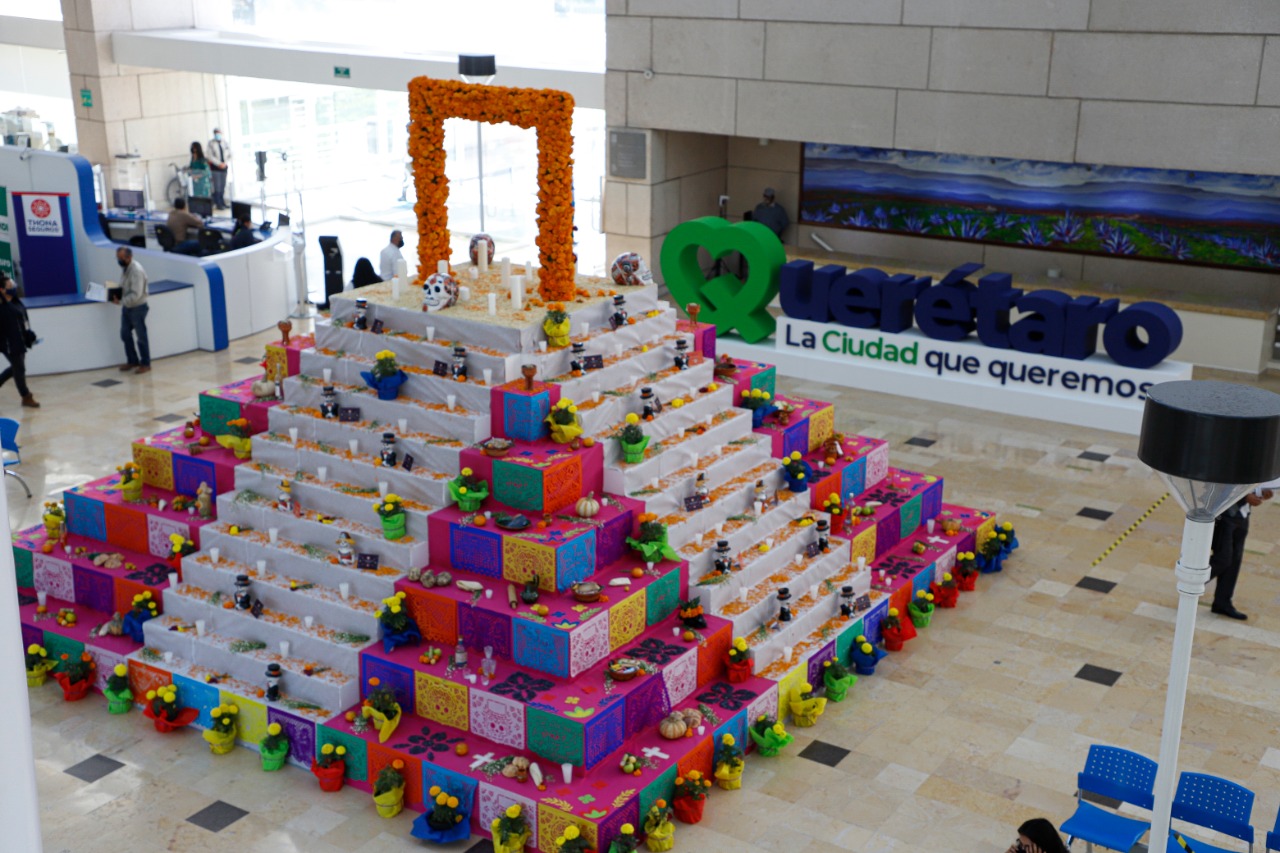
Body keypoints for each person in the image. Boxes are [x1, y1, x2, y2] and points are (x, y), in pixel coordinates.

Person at [1209, 488, 1273, 620]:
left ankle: (1222, 603)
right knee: (1223, 559)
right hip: (1224, 513)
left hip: (1242, 515)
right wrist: (1245, 496)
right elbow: (1223, 481)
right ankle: (1192, 583)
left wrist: (1263, 492)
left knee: (1234, 561)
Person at [0, 274, 37, 407]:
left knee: (16, 368)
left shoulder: (16, 302)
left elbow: (24, 320)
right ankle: (26, 396)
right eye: (10, 286)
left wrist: (28, 333)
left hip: (20, 342)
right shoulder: (1, 307)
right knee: (19, 369)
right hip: (9, 344)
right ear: (2, 290)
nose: (14, 287)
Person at [113, 247, 150, 374]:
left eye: (121, 258)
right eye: (117, 258)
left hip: (138, 308)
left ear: (129, 257)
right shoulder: (126, 269)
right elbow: (124, 287)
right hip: (127, 308)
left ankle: (145, 363)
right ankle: (132, 360)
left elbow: (136, 294)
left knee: (141, 337)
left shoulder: (136, 271)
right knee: (125, 334)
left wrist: (121, 301)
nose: (119, 261)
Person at [206, 128, 230, 209]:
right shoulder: (211, 143)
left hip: (224, 167)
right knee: (217, 186)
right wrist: (219, 164)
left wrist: (225, 163)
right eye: (216, 133)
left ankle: (222, 202)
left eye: (219, 133)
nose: (218, 135)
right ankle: (218, 203)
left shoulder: (225, 143)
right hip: (216, 168)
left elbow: (229, 153)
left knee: (223, 185)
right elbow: (210, 156)